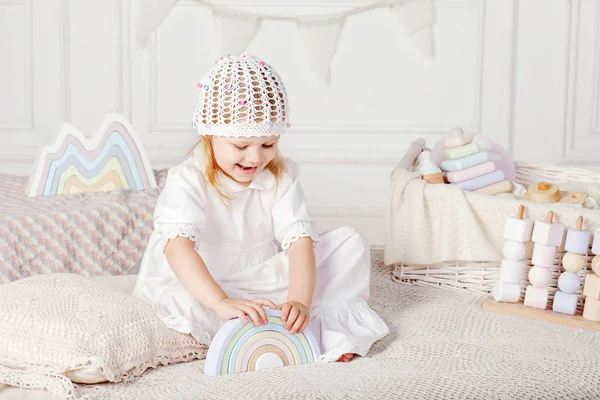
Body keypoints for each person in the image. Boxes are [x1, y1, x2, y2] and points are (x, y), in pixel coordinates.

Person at [133, 53, 389, 363]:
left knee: (350, 244)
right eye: (241, 146)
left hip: (260, 279)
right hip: (207, 283)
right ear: (209, 134)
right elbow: (177, 250)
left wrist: (299, 300)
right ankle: (241, 325)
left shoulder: (282, 176)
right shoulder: (188, 178)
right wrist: (221, 301)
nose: (255, 158)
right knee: (177, 297)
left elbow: (299, 245)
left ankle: (301, 324)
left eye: (268, 145)